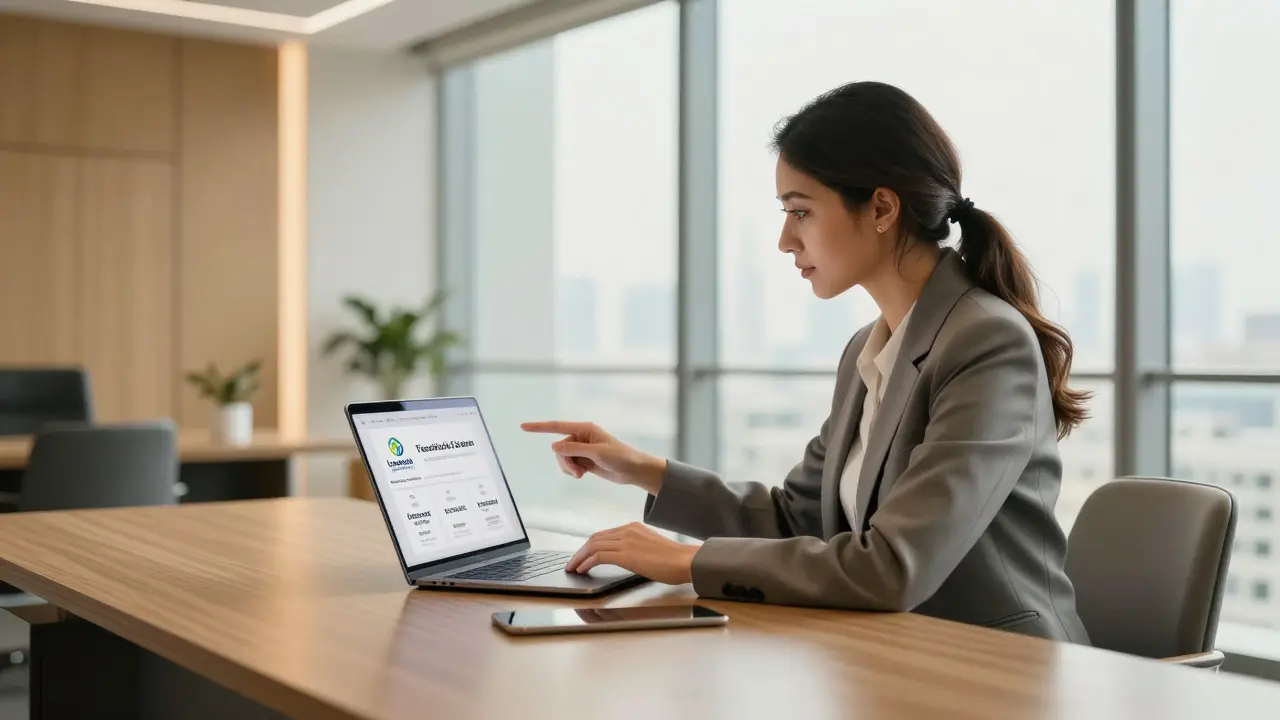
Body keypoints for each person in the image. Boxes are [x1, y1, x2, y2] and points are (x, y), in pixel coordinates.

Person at [523, 81, 1091, 643]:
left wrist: (688, 561)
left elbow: (893, 565)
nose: (785, 240)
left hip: (999, 663)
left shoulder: (987, 342)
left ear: (882, 208)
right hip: (894, 652)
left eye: (800, 211)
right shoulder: (868, 350)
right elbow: (797, 519)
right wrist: (643, 469)